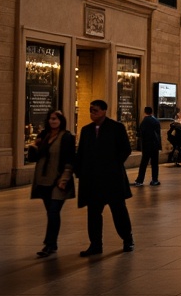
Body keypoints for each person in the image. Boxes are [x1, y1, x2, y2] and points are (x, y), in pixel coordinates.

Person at [75, 99, 135, 256]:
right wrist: (80, 171)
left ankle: (127, 239)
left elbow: (126, 149)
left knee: (118, 211)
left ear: (103, 111)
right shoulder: (86, 130)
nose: (92, 113)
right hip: (93, 180)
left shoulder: (116, 128)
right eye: (90, 110)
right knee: (93, 213)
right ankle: (95, 244)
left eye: (95, 110)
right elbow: (81, 153)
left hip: (112, 178)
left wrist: (114, 164)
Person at [25, 109, 75, 257]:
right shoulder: (43, 136)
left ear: (61, 121)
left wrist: (64, 178)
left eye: (56, 119)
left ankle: (49, 244)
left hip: (58, 180)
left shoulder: (66, 137)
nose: (53, 121)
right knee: (51, 212)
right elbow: (33, 158)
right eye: (51, 119)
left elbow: (70, 159)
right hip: (43, 180)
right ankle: (52, 244)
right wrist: (34, 146)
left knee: (53, 212)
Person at [134, 106, 161, 186]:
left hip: (147, 145)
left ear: (145, 112)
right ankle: (155, 180)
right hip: (155, 145)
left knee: (144, 163)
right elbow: (158, 134)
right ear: (151, 112)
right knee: (155, 163)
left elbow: (141, 134)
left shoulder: (144, 121)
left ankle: (140, 180)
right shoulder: (156, 121)